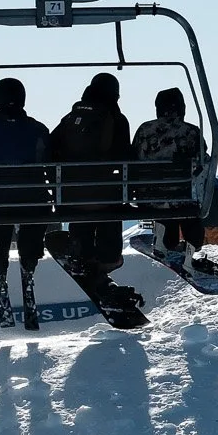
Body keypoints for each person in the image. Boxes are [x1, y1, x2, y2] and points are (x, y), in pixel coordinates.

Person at [49, 72, 142, 321]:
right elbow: (125, 157)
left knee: (83, 219)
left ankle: (84, 258)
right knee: (109, 216)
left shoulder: (72, 118)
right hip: (106, 198)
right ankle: (105, 264)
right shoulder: (116, 119)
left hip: (71, 197)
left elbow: (50, 148)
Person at [0, 77, 53, 330]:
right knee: (32, 226)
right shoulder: (38, 129)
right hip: (34, 199)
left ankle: (0, 272)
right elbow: (50, 162)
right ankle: (28, 270)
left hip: (0, 201)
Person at [132, 87, 207, 272]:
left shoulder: (145, 130)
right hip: (184, 198)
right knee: (186, 203)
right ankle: (191, 248)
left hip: (150, 197)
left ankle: (166, 240)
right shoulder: (191, 132)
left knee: (165, 200)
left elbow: (133, 158)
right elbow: (203, 161)